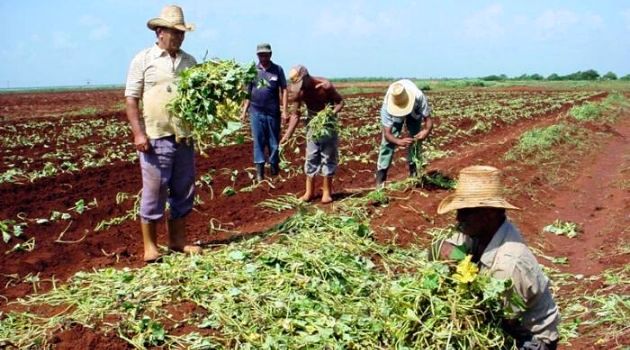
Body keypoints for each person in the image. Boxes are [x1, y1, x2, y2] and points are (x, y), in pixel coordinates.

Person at [436, 165, 560, 350]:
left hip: (528, 337)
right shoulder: (479, 230)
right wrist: (456, 258)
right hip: (502, 318)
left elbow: (498, 319)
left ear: (489, 214)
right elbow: (440, 248)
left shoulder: (508, 266)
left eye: (465, 212)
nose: (457, 218)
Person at [124, 5, 202, 262]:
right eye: (174, 32)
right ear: (159, 31)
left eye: (181, 33)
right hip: (156, 136)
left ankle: (177, 242)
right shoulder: (143, 59)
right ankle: (150, 247)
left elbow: (197, 98)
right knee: (154, 190)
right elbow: (131, 100)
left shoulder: (190, 62)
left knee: (183, 189)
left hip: (184, 136)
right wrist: (139, 134)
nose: (178, 37)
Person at [280, 65, 344, 204]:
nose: (301, 87)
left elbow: (340, 102)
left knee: (328, 156)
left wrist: (329, 115)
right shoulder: (299, 92)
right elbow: (295, 115)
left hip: (327, 125)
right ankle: (309, 192)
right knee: (311, 156)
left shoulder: (324, 86)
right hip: (312, 124)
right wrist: (287, 135)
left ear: (307, 77)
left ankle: (326, 192)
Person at [240, 43, 288, 181]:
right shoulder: (252, 71)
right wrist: (244, 111)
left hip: (273, 112)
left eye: (266, 54)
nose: (263, 57)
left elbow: (284, 90)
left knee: (273, 142)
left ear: (270, 54)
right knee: (258, 142)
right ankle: (260, 174)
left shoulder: (277, 70)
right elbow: (247, 93)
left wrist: (284, 110)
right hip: (256, 112)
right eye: (261, 55)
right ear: (257, 55)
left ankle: (274, 169)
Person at [376, 79, 433, 187]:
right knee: (387, 144)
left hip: (414, 111)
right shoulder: (387, 106)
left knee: (415, 139)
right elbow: (387, 134)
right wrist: (398, 141)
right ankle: (380, 182)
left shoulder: (418, 96)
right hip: (395, 115)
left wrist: (425, 131)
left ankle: (414, 175)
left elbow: (428, 119)